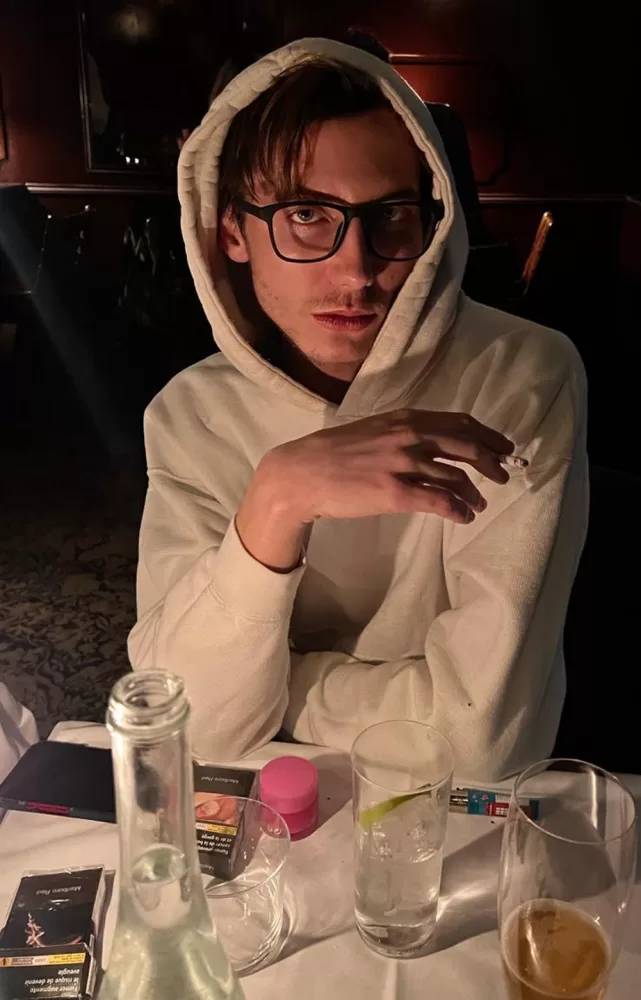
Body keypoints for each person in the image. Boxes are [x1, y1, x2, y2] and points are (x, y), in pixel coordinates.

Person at [129, 38, 588, 781]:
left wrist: (276, 687)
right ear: (232, 232)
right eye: (307, 213)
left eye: (391, 215)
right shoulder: (189, 415)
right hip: (265, 814)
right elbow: (194, 726)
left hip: (446, 823)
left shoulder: (519, 374)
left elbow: (477, 741)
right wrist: (279, 497)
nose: (357, 268)